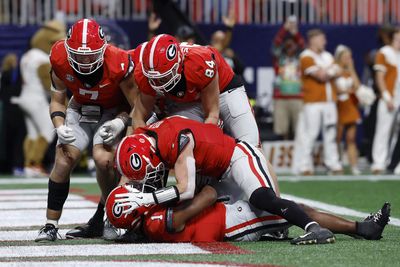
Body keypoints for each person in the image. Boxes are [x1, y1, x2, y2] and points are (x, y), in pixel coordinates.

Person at [113, 116, 335, 245]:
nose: (145, 181)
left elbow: (187, 190)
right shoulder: (150, 136)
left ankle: (312, 227)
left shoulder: (172, 140)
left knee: (263, 198)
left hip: (235, 157)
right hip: (216, 171)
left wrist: (147, 198)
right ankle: (360, 228)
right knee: (267, 209)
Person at [35, 18, 138, 242]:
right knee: (63, 158)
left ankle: (110, 217)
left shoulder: (118, 61)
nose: (84, 59)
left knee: (104, 160)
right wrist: (59, 126)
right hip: (79, 108)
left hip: (113, 112)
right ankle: (50, 225)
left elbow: (137, 106)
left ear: (103, 48)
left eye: (90, 54)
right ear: (68, 49)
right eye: (78, 54)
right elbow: (57, 100)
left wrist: (122, 122)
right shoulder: (60, 57)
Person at [106, 183, 390, 243]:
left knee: (290, 208)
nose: (138, 190)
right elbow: (205, 199)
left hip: (228, 217)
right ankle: (361, 228)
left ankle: (358, 226)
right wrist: (202, 187)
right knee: (297, 211)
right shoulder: (156, 223)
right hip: (234, 221)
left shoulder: (145, 224)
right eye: (133, 194)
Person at [132, 34, 260, 148]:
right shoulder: (146, 74)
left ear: (178, 65)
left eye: (164, 77)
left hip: (224, 90)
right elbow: (138, 118)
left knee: (251, 147)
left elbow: (212, 113)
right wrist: (144, 146)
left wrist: (207, 138)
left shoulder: (199, 62)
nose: (158, 83)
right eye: (154, 78)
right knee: (181, 142)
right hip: (191, 100)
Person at [11, 20, 65, 177]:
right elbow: (48, 84)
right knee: (48, 131)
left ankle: (28, 165)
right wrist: (62, 102)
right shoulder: (43, 59)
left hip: (24, 97)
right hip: (36, 99)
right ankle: (35, 163)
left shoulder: (27, 55)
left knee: (32, 134)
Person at [298, 29, 343, 175]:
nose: (325, 42)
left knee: (331, 134)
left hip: (329, 101)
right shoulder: (306, 56)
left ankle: (334, 165)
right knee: (311, 133)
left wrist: (327, 70)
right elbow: (321, 76)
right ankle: (305, 165)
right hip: (313, 102)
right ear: (313, 40)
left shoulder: (327, 55)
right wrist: (330, 70)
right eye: (322, 39)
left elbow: (339, 70)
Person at [371, 28, 400, 174]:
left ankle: (392, 163)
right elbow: (379, 77)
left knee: (397, 133)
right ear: (391, 39)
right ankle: (378, 163)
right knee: (383, 130)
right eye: (397, 39)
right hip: (389, 98)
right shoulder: (384, 52)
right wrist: (386, 96)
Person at [333, 45, 362, 175]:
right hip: (339, 107)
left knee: (351, 138)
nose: (348, 59)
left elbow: (357, 86)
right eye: (345, 57)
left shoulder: (350, 71)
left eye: (349, 57)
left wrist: (352, 69)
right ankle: (337, 164)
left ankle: (354, 165)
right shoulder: (334, 71)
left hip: (351, 107)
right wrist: (346, 90)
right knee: (337, 138)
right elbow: (335, 89)